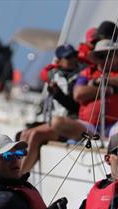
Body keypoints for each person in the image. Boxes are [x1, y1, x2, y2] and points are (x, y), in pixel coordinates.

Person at [20, 39, 118, 172]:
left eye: (109, 55)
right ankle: (18, 177)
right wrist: (109, 89)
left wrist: (105, 80)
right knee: (47, 127)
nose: (104, 59)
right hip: (89, 127)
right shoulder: (87, 73)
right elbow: (78, 94)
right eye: (100, 56)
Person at [18, 44, 83, 172]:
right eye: (68, 57)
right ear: (59, 61)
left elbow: (76, 108)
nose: (73, 59)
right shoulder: (55, 75)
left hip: (70, 123)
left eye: (74, 55)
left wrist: (57, 94)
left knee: (35, 135)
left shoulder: (80, 78)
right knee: (24, 134)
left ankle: (19, 175)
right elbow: (44, 74)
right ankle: (18, 171)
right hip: (56, 121)